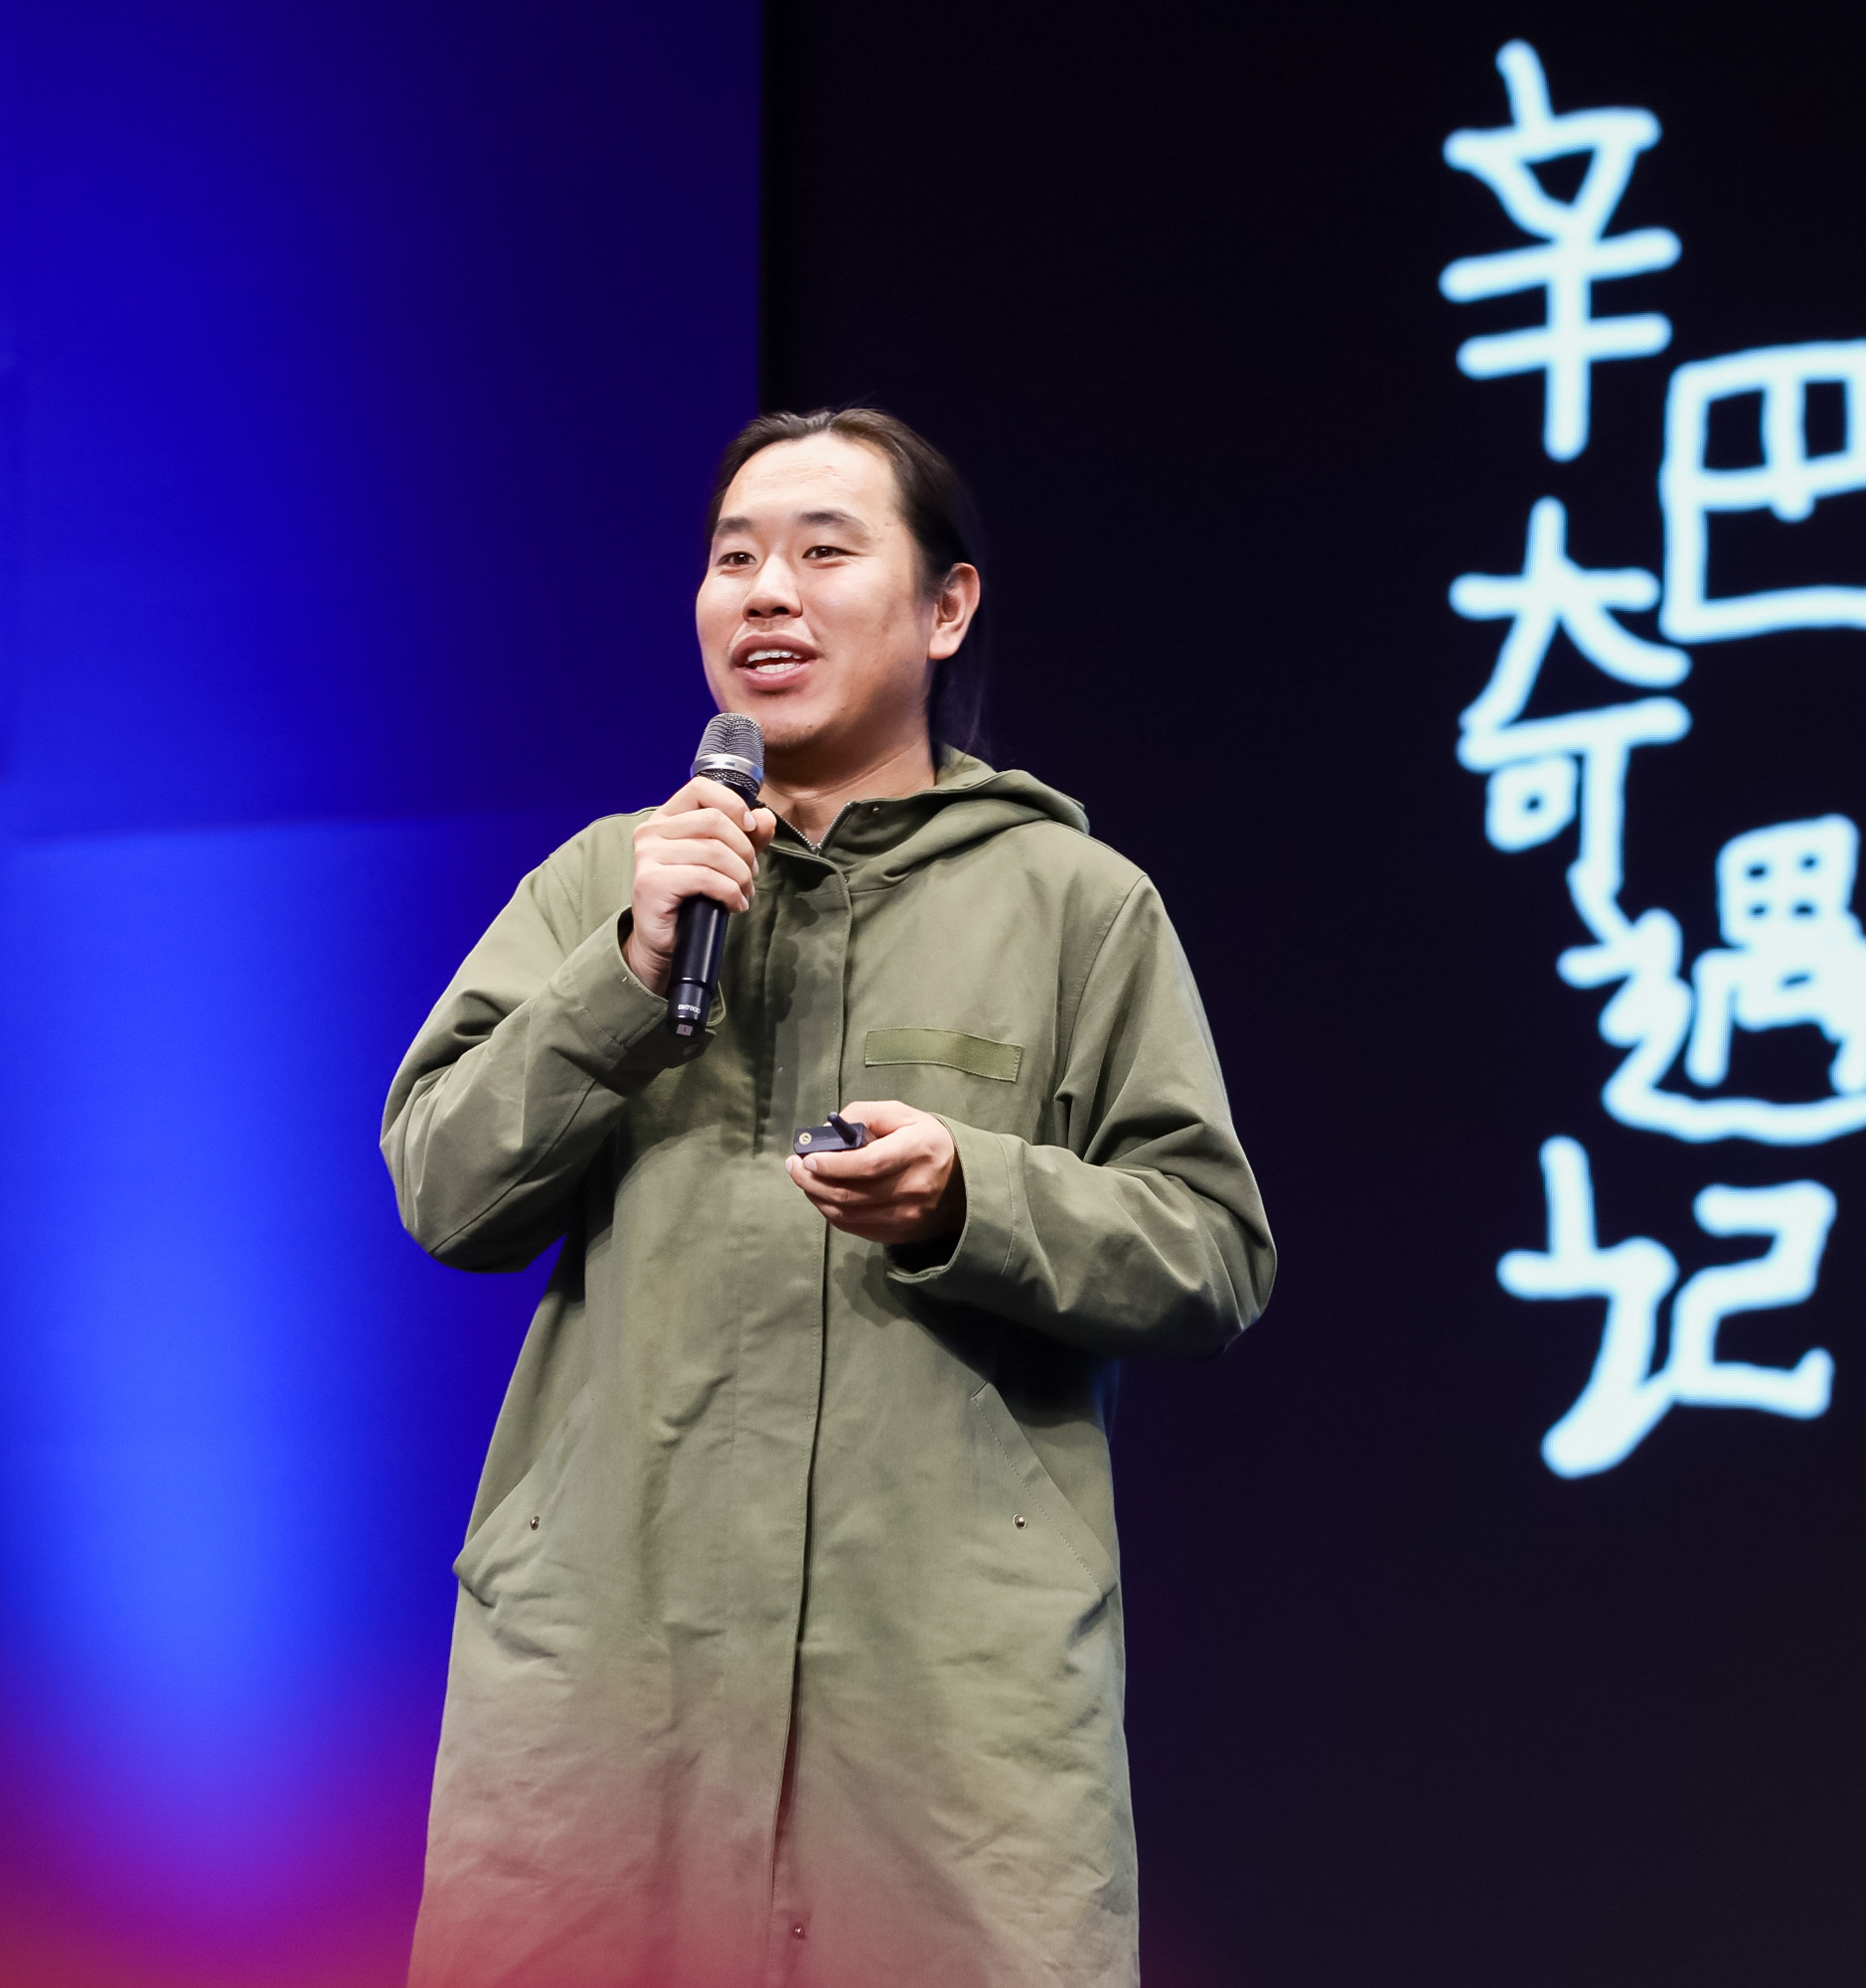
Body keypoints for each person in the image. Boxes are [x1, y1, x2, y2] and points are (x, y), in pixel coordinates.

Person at [384, 406, 1276, 1987]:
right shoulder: (610, 881)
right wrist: (624, 975)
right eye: (733, 558)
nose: (766, 594)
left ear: (946, 606)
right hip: (609, 1687)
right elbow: (446, 1187)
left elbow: (1208, 1249)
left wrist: (969, 1195)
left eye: (820, 551)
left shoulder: (1074, 905)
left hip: (935, 1717)